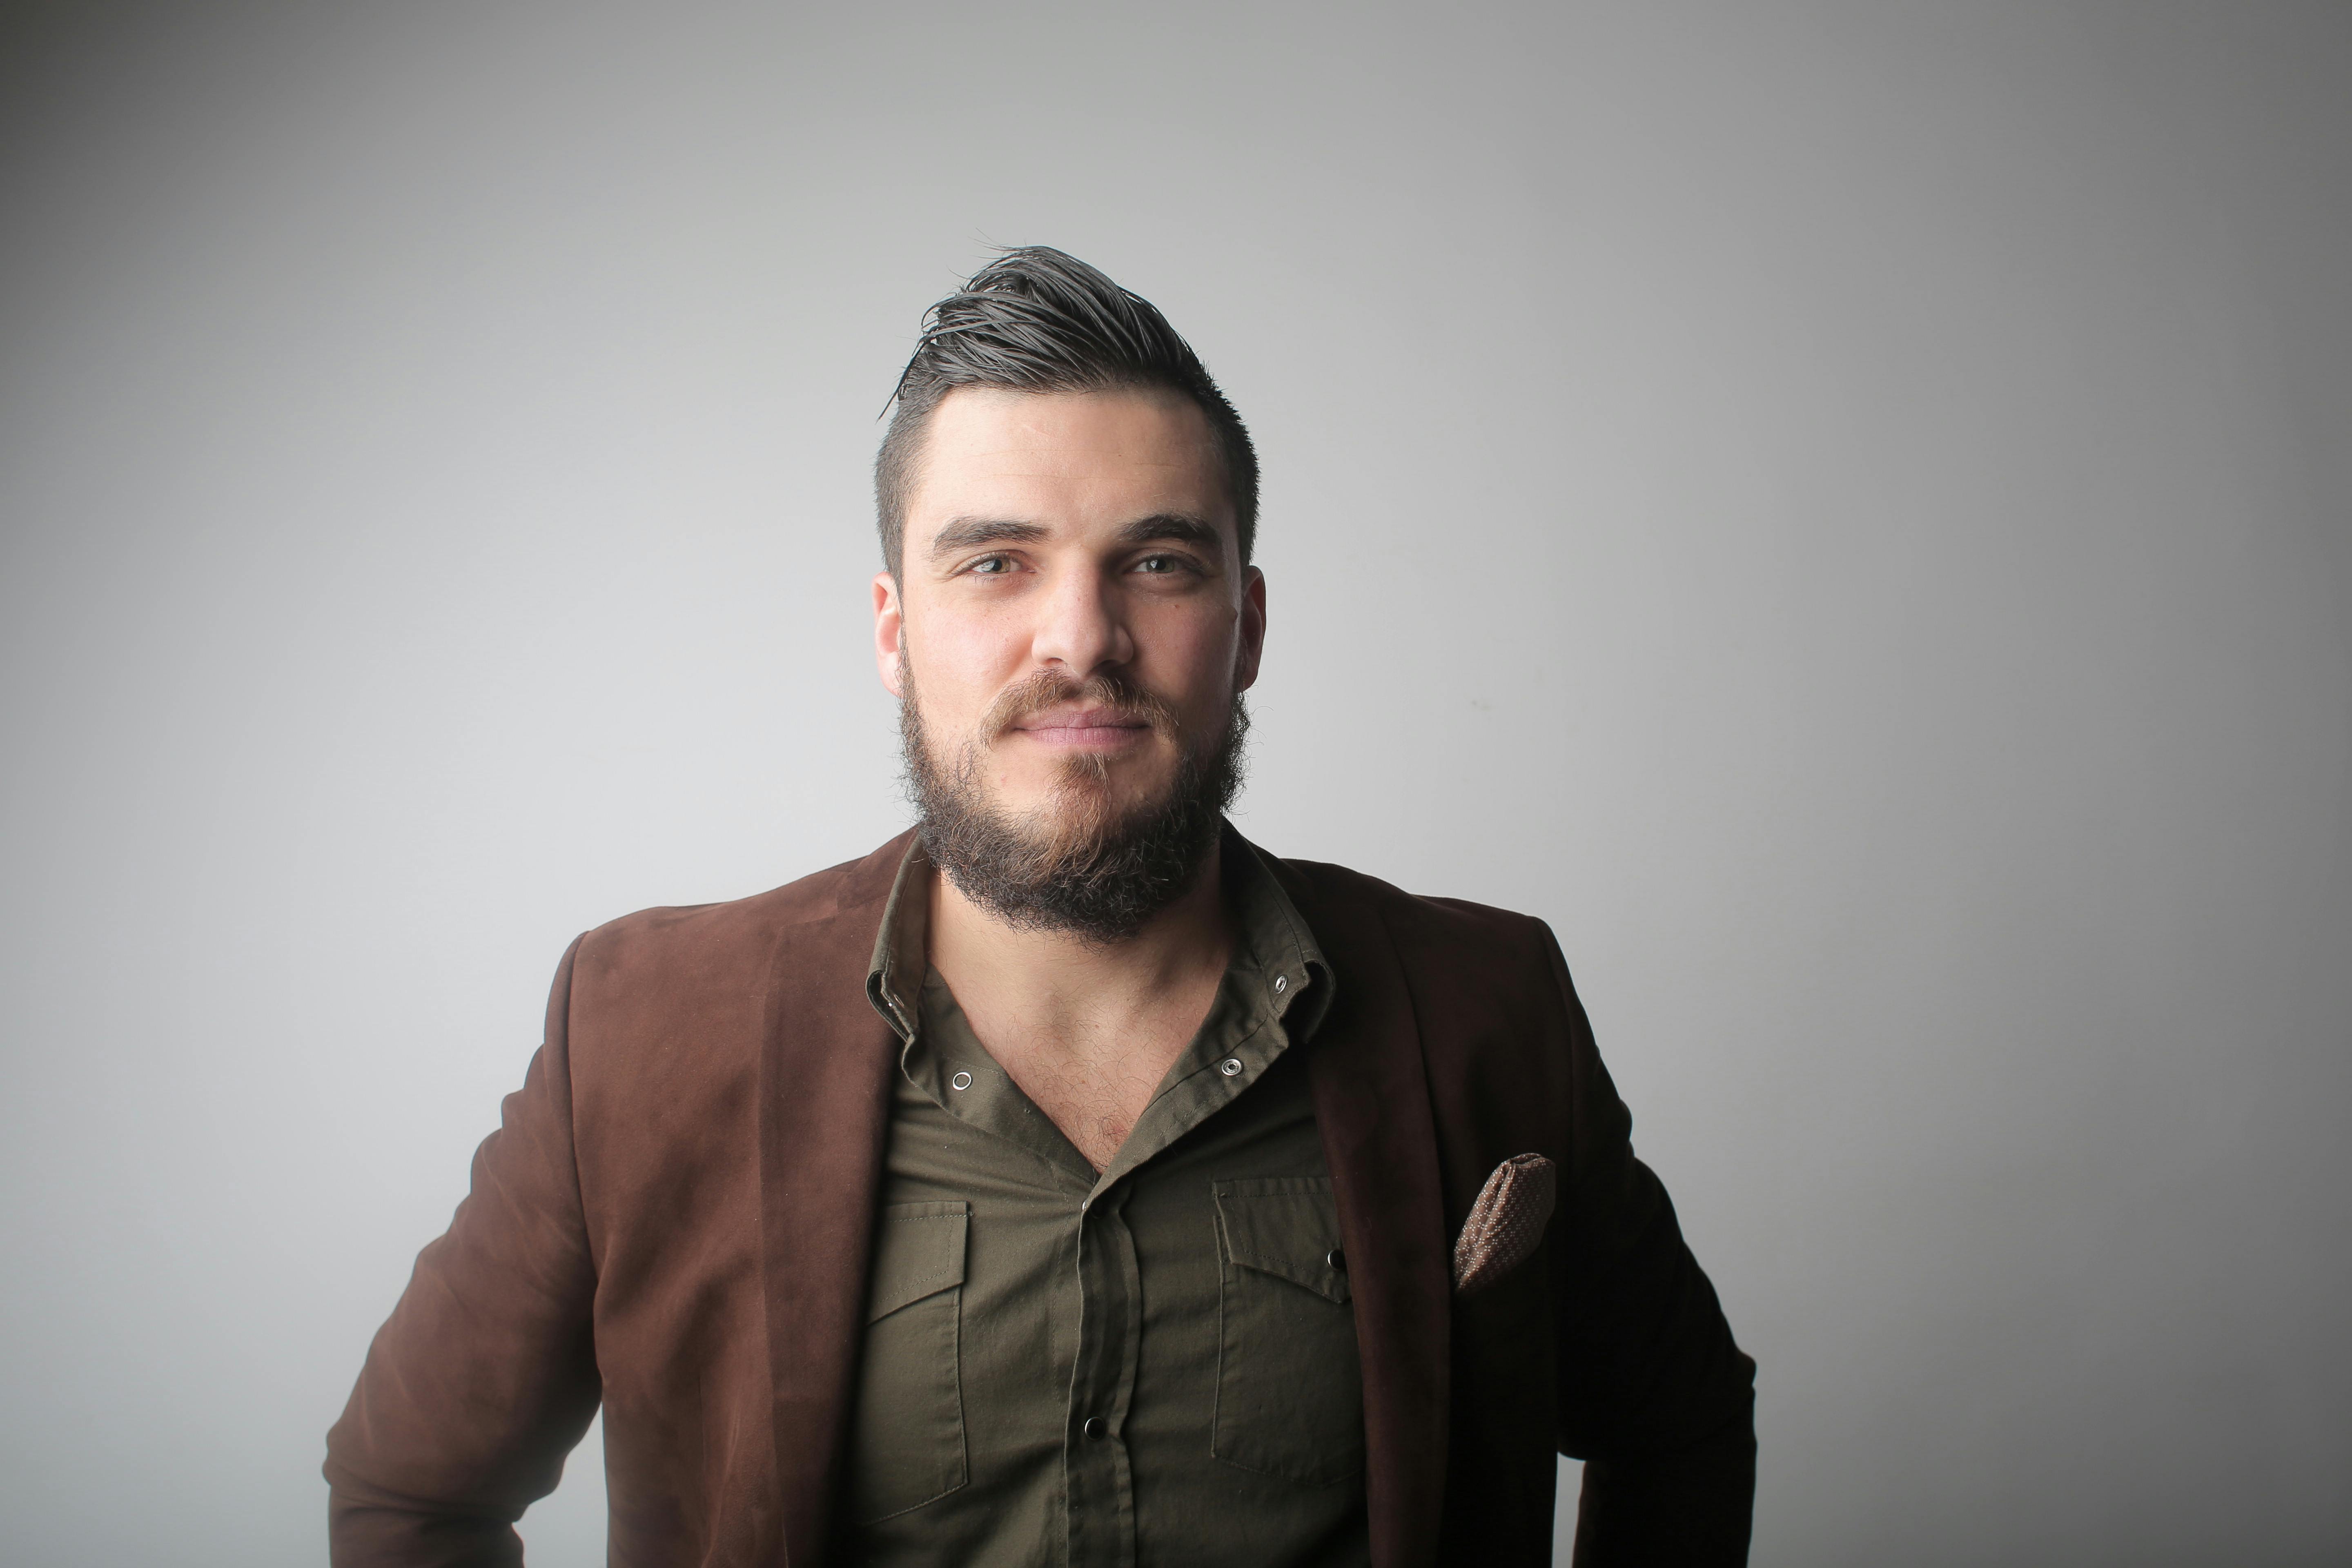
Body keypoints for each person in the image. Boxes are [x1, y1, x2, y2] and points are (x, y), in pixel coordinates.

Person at [325, 247, 1756, 1567]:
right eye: (996, 562)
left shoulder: (1484, 1009)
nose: (1080, 637)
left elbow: (1679, 1426)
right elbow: (413, 1494)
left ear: (1245, 627)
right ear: (896, 631)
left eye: (1156, 560)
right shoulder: (637, 1033)